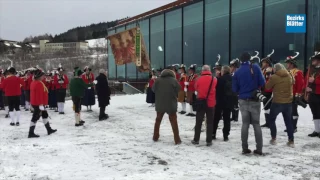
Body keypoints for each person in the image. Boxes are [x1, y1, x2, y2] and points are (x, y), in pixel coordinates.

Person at [232, 52, 265, 155]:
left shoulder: (237, 72)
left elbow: (234, 88)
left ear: (240, 60)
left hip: (243, 100)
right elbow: (263, 83)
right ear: (250, 58)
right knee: (256, 124)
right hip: (255, 99)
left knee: (245, 124)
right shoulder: (255, 67)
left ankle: (244, 148)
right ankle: (259, 148)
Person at [265, 63, 294, 147]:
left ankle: (273, 138)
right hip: (288, 102)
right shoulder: (289, 75)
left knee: (271, 119)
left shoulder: (274, 77)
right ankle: (291, 140)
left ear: (275, 69)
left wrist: (268, 78)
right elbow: (293, 83)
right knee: (288, 122)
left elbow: (267, 87)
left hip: (277, 102)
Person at [152, 68, 181, 145]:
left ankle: (155, 136)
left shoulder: (158, 80)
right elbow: (179, 89)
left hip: (160, 104)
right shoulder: (174, 80)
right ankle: (177, 139)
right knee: (174, 122)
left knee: (158, 121)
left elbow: (153, 89)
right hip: (171, 104)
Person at [191, 65, 217, 146]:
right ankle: (209, 140)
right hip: (211, 103)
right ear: (209, 70)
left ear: (202, 70)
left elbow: (196, 88)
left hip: (201, 102)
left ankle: (196, 139)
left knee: (198, 121)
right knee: (210, 122)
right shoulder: (214, 79)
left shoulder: (198, 79)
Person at [28, 69, 57, 138]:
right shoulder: (38, 83)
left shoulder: (34, 82)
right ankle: (31, 132)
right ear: (39, 76)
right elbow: (39, 95)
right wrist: (41, 104)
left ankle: (49, 129)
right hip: (38, 103)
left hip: (36, 103)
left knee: (44, 115)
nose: (44, 76)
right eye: (42, 75)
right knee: (35, 117)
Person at [213, 66, 236, 141]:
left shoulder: (220, 79)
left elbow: (216, 90)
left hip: (220, 101)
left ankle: (213, 133)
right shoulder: (233, 79)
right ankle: (226, 135)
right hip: (229, 101)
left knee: (216, 118)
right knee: (227, 119)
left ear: (223, 71)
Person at [285, 52, 304, 133]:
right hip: (287, 94)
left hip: (294, 94)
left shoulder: (298, 72)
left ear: (292, 64)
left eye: (288, 63)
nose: (287, 65)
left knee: (293, 111)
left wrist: (298, 95)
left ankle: (294, 127)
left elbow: (300, 84)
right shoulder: (287, 72)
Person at [306, 53, 320, 137]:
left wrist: (314, 81)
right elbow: (307, 79)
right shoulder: (311, 69)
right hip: (312, 93)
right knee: (314, 112)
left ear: (318, 60)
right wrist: (307, 88)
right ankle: (317, 130)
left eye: (314, 60)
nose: (312, 61)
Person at [260, 51, 275, 128]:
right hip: (264, 90)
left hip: (268, 90)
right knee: (266, 106)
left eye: (264, 62)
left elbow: (269, 80)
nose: (262, 63)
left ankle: (269, 122)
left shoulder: (269, 70)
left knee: (268, 106)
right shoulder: (264, 70)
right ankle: (267, 122)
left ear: (267, 63)